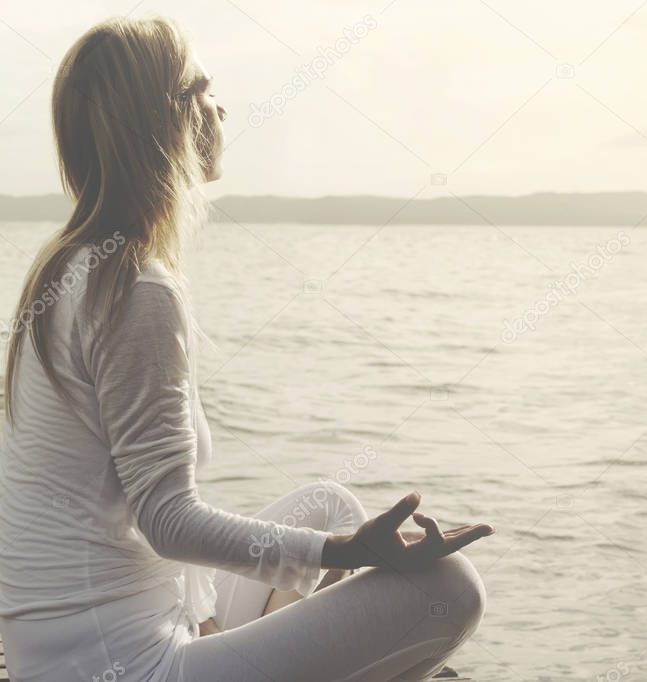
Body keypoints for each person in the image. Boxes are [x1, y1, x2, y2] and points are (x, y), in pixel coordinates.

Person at [0, 15, 494, 682]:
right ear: (165, 118)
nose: (221, 106)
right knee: (449, 589)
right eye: (200, 88)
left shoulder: (72, 267)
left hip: (87, 646)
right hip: (115, 666)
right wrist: (343, 553)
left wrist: (223, 613)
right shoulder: (135, 289)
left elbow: (138, 523)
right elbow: (168, 522)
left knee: (327, 502)